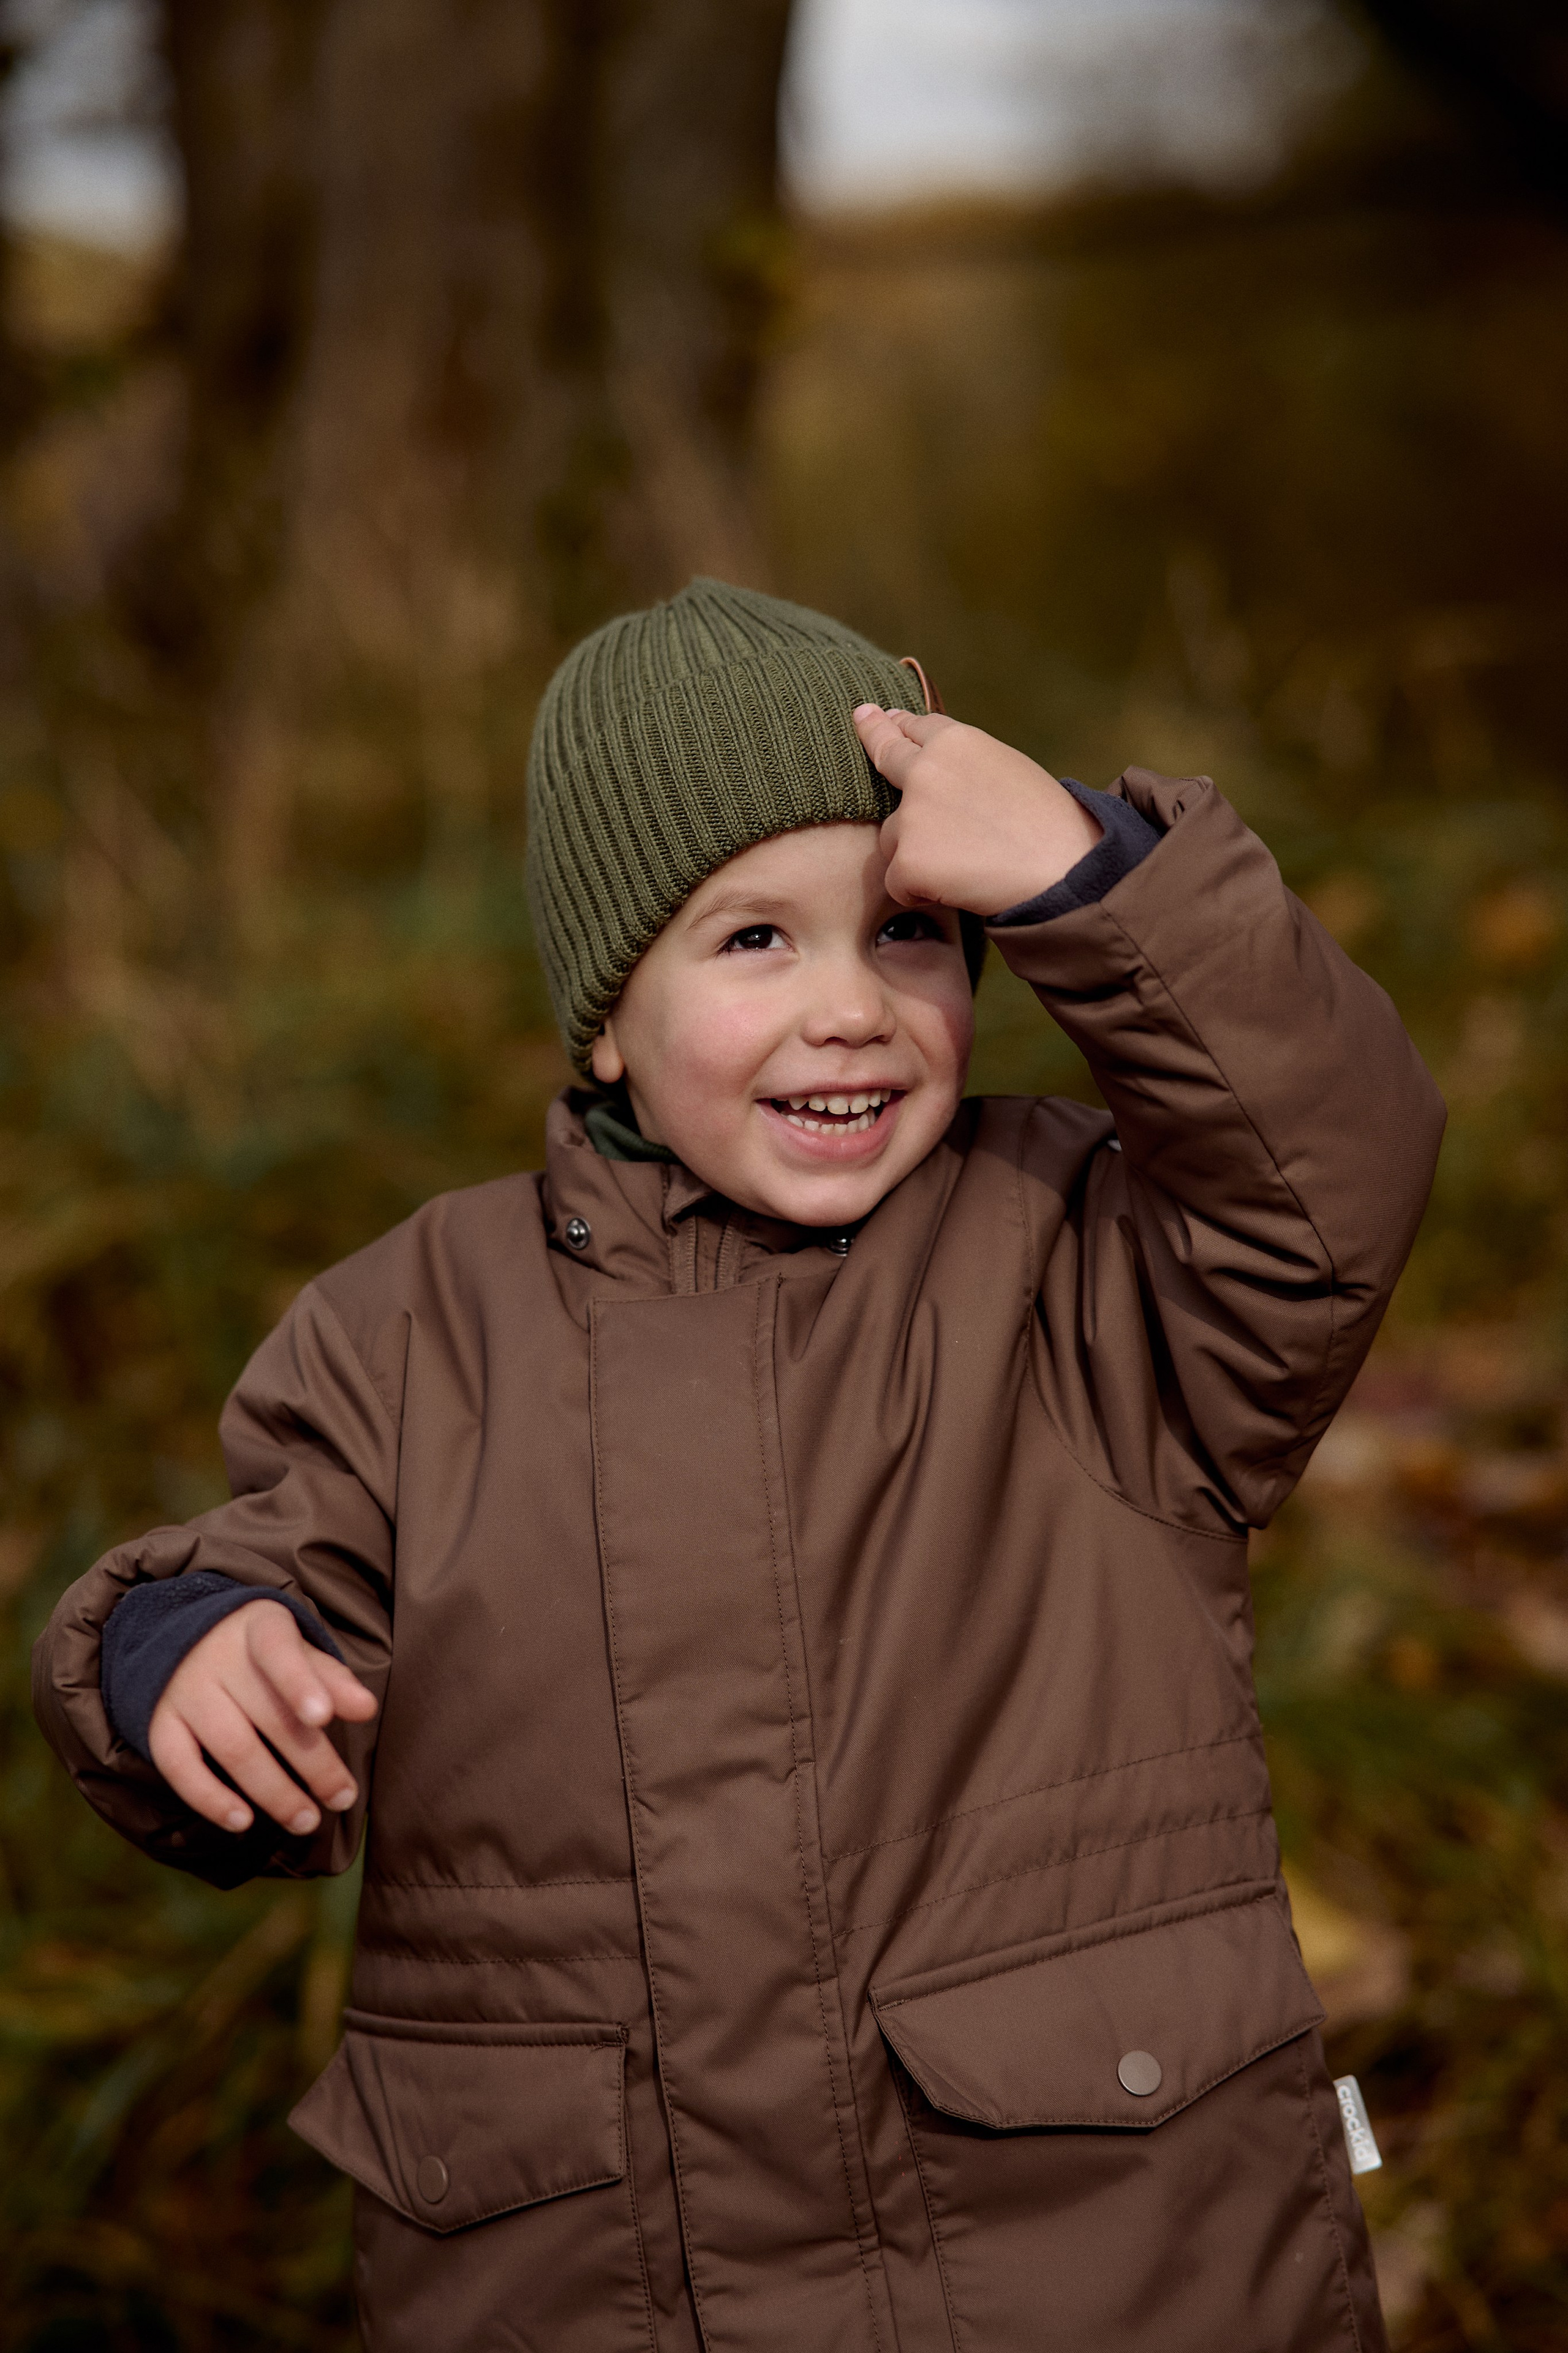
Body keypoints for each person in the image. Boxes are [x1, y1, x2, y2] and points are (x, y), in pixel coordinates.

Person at [34, 579, 1443, 2353]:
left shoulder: (1081, 1258)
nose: (850, 1006)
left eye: (912, 935)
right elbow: (275, 1558)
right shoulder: (416, 1328)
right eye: (756, 941)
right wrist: (190, 1652)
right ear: (607, 1016)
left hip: (1103, 2264)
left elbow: (1334, 1158)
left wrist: (1101, 877)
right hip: (594, 2272)